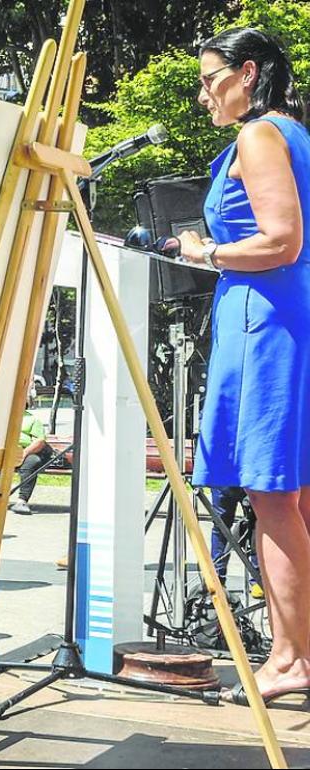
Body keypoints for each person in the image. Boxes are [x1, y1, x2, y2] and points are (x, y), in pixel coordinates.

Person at [176, 28, 310, 706]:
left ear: (248, 72)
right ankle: (298, 651)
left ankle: (289, 658)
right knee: (296, 498)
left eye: (209, 78)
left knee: (271, 498)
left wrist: (205, 253)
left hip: (268, 324)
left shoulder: (260, 137)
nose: (203, 93)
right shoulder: (294, 134)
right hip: (281, 317)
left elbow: (283, 239)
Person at [0, 392, 52, 514]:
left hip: (25, 451)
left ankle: (21, 501)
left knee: (32, 462)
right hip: (3, 451)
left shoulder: (32, 420)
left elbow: (40, 441)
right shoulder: (2, 419)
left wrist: (24, 453)